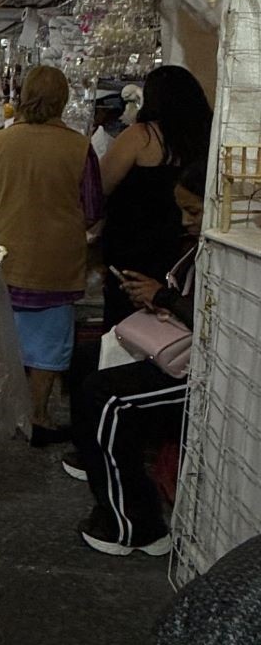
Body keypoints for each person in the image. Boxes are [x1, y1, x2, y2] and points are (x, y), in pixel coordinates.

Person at [66, 161, 205, 557]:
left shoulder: (227, 256)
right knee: (86, 362)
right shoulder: (198, 248)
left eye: (193, 212)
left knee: (106, 397)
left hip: (196, 373)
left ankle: (135, 525)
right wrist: (156, 295)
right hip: (178, 351)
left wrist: (162, 298)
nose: (185, 220)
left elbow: (218, 323)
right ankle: (95, 464)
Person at [0, 66, 103, 447]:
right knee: (51, 344)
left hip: (11, 254)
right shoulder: (79, 147)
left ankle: (8, 415)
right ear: (64, 100)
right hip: (58, 260)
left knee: (10, 339)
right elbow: (91, 207)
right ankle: (38, 414)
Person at [99, 65, 212, 330]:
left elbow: (101, 185)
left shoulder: (141, 137)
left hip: (134, 250)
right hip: (183, 253)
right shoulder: (206, 137)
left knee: (126, 326)